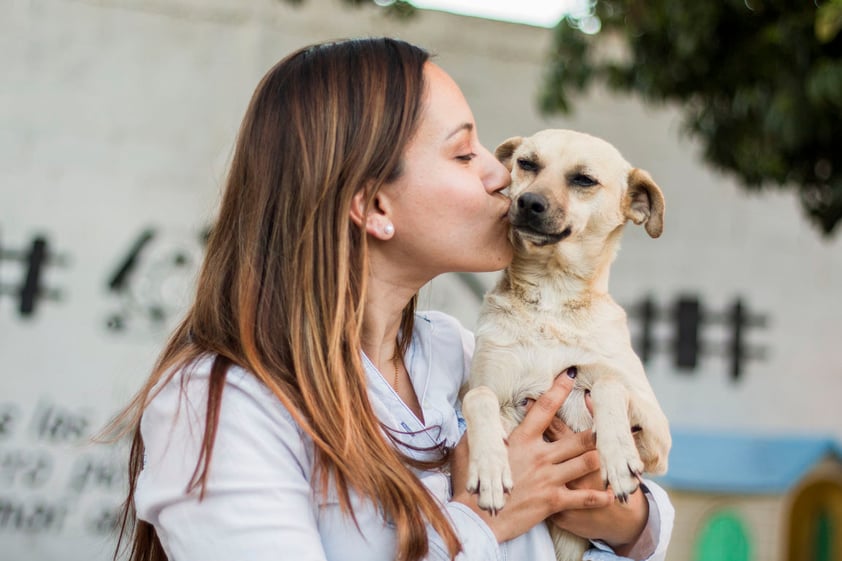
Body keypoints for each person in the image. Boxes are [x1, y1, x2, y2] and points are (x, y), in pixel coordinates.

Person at [111, 37, 673, 561]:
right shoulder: (220, 403)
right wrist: (475, 522)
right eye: (463, 154)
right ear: (374, 207)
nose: (503, 178)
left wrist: (616, 511)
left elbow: (644, 516)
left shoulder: (453, 351)